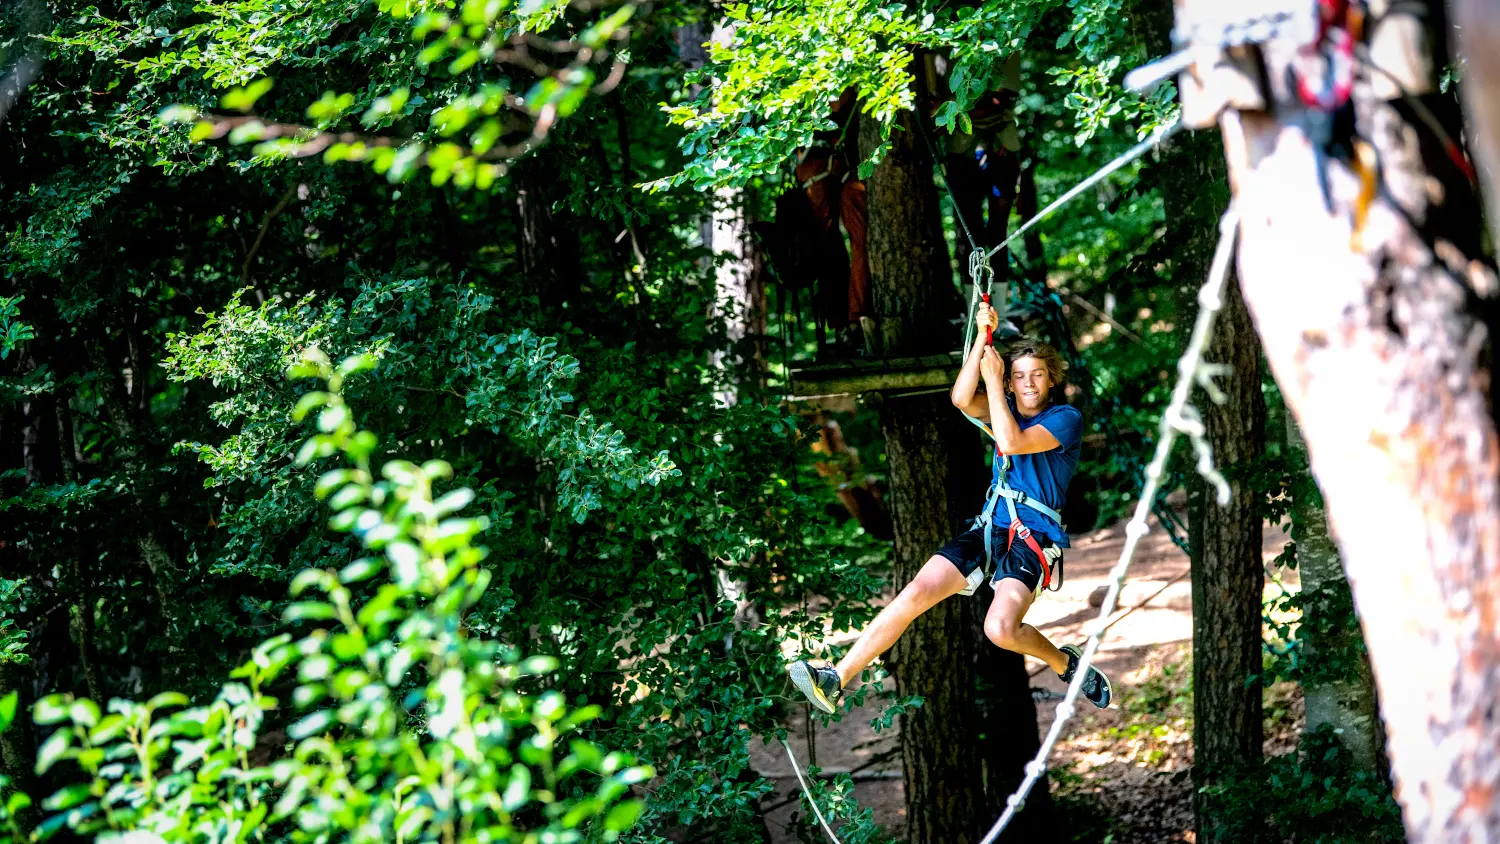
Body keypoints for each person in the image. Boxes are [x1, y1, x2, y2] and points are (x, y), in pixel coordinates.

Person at [788, 302, 1113, 714]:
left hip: (1033, 538)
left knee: (999, 630)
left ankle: (1067, 664)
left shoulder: (1065, 418)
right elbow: (961, 397)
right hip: (988, 526)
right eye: (1019, 376)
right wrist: (981, 338)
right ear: (1011, 384)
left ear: (1051, 380)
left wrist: (996, 383)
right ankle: (837, 677)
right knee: (914, 592)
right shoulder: (1004, 407)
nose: (1029, 383)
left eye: (1037, 375)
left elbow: (1013, 442)